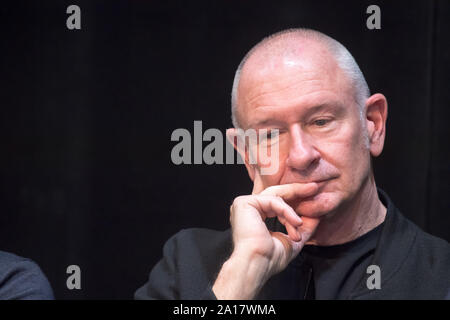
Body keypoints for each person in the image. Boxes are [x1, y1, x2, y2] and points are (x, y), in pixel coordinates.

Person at [135, 28, 450, 299]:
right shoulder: (187, 265)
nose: (301, 155)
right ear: (246, 153)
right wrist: (241, 276)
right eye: (271, 134)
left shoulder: (441, 279)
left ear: (373, 124)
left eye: (321, 121)